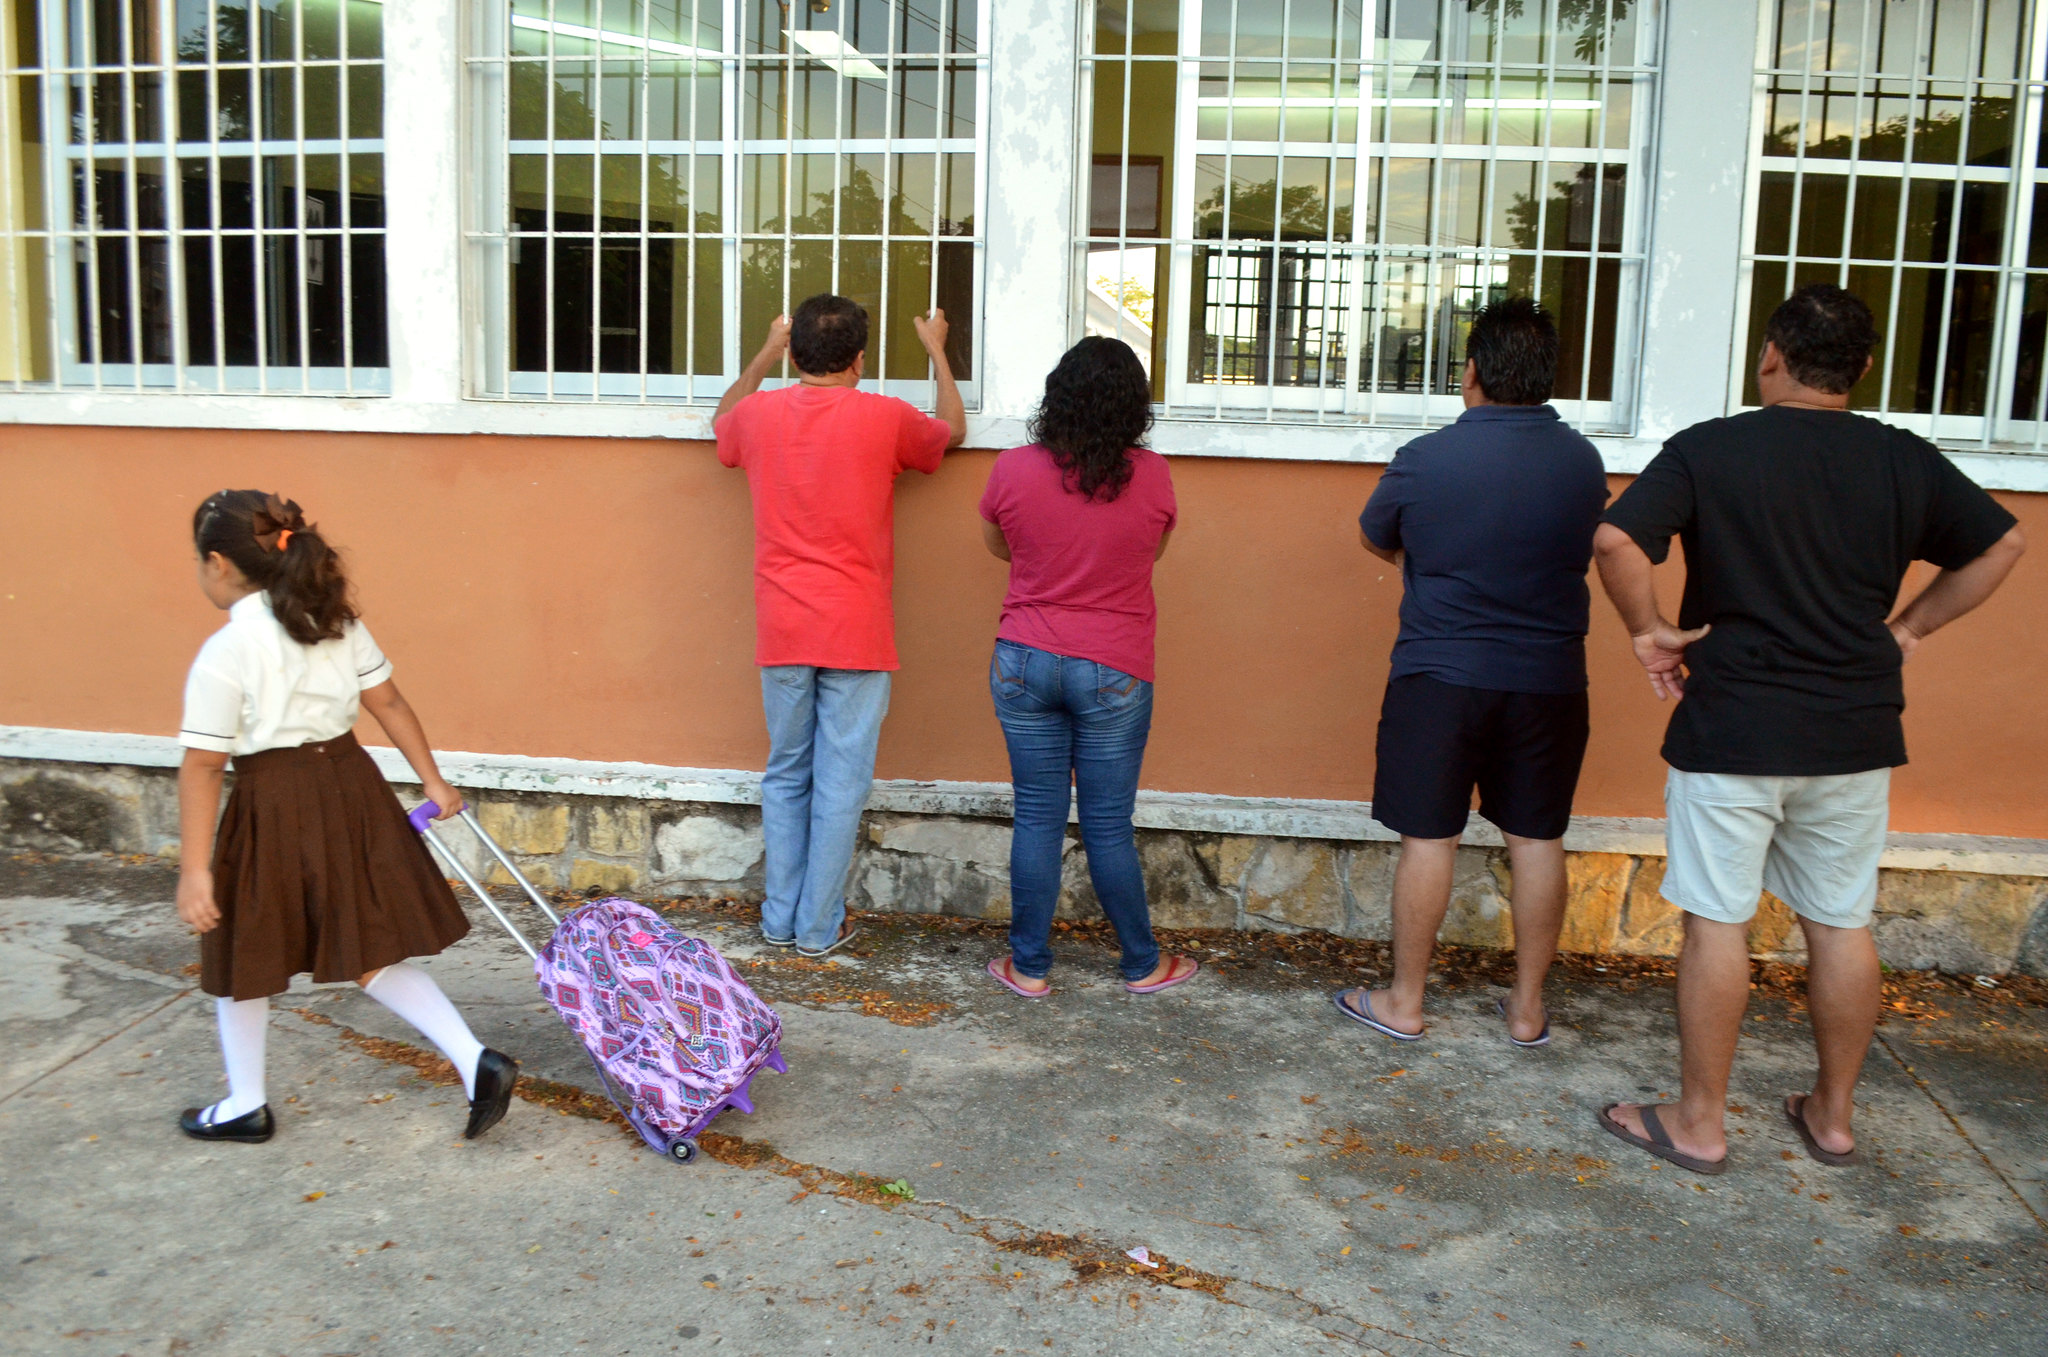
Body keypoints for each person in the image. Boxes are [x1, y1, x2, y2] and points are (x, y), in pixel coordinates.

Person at [1593, 285, 2025, 1174]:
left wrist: (1651, 629)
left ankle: (1699, 1122)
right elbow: (2003, 544)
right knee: (1839, 922)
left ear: (1769, 358)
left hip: (1734, 727)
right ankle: (1831, 1115)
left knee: (1717, 921)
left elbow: (1614, 541)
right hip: (1853, 732)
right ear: (1863, 370)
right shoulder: (1904, 458)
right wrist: (1906, 631)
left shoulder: (1710, 449)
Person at [176, 491, 518, 1145]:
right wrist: (434, 779)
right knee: (364, 941)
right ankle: (475, 1061)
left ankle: (246, 1101)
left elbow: (202, 766)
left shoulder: (227, 651)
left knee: (246, 943)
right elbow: (388, 702)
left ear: (219, 564)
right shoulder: (334, 620)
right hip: (349, 788)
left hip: (271, 800)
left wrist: (195, 869)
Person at [1333, 297, 1608, 1046]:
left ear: (1472, 374)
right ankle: (1526, 1010)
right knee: (1537, 838)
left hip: (1441, 674)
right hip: (1549, 679)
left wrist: (1424, 566)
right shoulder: (1583, 462)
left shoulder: (1425, 459)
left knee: (1429, 838)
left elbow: (1373, 535)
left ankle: (1405, 1002)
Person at [714, 295, 967, 956]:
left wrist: (765, 353)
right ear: (860, 359)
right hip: (855, 627)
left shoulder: (759, 414)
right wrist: (937, 348)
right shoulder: (884, 417)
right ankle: (817, 926)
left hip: (783, 625)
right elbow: (953, 430)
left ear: (795, 353)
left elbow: (721, 421)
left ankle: (779, 917)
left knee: (786, 771)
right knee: (840, 782)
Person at [977, 336, 1198, 997]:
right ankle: (1141, 962)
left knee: (1038, 815)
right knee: (1107, 821)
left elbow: (1000, 546)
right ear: (1134, 406)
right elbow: (1151, 554)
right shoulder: (1154, 476)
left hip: (1025, 658)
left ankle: (1029, 966)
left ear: (1058, 397)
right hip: (1114, 668)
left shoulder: (1013, 468)